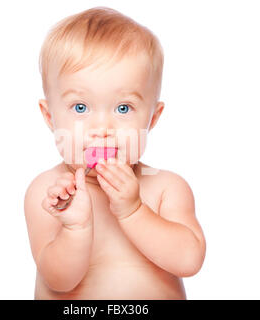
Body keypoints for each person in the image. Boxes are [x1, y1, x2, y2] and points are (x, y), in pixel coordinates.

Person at [24, 6, 206, 299]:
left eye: (123, 108)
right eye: (80, 108)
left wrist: (134, 210)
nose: (102, 127)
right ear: (50, 117)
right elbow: (58, 280)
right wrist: (75, 228)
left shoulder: (165, 188)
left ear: (152, 118)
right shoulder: (50, 194)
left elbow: (189, 260)